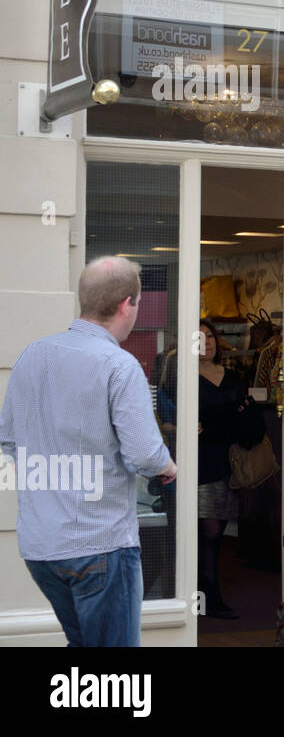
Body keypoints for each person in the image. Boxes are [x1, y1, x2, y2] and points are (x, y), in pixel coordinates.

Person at [0, 257, 177, 646]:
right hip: (100, 544)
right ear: (127, 304)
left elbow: (9, 441)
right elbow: (146, 454)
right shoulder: (120, 365)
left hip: (41, 546)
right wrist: (168, 466)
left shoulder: (32, 355)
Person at [194, 319, 262, 619]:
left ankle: (205, 591)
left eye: (210, 336)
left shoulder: (233, 377)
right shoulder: (180, 376)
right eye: (199, 337)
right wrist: (223, 420)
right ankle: (206, 595)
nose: (206, 342)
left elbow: (248, 423)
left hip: (227, 461)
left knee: (216, 529)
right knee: (206, 529)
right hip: (198, 460)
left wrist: (214, 424)